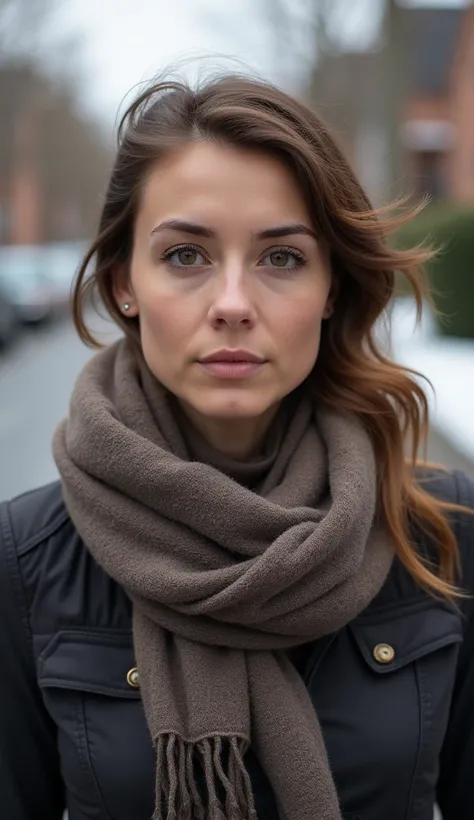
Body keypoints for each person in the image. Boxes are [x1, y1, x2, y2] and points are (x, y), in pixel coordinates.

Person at [0, 73, 473, 820]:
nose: (231, 304)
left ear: (331, 289)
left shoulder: (442, 530)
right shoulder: (25, 558)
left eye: (281, 258)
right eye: (185, 255)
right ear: (124, 282)